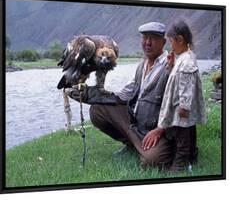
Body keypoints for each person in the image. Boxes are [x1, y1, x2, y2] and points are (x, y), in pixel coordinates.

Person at [68, 22, 175, 168]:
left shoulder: (170, 65)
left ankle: (146, 148)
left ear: (163, 42)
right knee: (98, 109)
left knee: (152, 161)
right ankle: (133, 144)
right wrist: (92, 95)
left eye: (153, 38)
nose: (148, 43)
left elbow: (178, 105)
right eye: (145, 38)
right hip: (138, 123)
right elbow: (124, 95)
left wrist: (160, 129)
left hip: (159, 129)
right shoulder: (141, 66)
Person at [155, 20, 206, 171]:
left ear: (180, 39)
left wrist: (184, 105)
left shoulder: (186, 61)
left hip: (182, 108)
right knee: (190, 131)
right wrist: (171, 66)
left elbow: (185, 86)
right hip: (184, 106)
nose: (171, 46)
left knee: (182, 136)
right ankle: (192, 156)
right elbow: (179, 80)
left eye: (172, 42)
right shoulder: (184, 57)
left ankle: (180, 164)